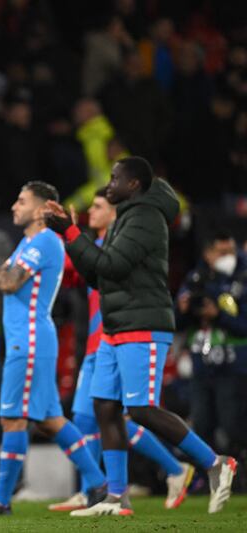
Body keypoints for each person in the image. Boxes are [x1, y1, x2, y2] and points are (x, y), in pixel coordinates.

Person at [45, 156, 237, 516]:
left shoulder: (146, 217)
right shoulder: (127, 217)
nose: (110, 182)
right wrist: (69, 233)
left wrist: (71, 233)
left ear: (134, 185)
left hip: (143, 325)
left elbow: (112, 266)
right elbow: (102, 278)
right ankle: (116, 496)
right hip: (116, 326)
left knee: (142, 409)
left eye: (116, 178)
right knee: (104, 404)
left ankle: (214, 463)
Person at [0, 181, 107, 515]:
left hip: (27, 340)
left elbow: (7, 282)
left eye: (22, 200)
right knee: (48, 419)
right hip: (31, 338)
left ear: (43, 209)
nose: (14, 206)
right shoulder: (32, 242)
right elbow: (7, 281)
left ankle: (0, 499)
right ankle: (99, 484)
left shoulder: (43, 241)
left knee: (13, 419)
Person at [50, 188, 193, 512]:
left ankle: (170, 469)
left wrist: (69, 237)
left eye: (99, 206)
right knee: (90, 417)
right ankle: (97, 489)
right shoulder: (95, 245)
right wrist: (65, 236)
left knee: (116, 415)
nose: (92, 212)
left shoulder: (115, 248)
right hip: (97, 342)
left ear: (115, 214)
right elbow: (71, 274)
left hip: (115, 338)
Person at [176, 231, 247, 463]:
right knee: (202, 426)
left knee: (234, 426)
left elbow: (244, 324)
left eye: (231, 251)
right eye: (222, 252)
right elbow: (175, 322)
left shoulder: (243, 279)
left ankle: (240, 474)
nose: (228, 257)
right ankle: (207, 477)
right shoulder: (195, 280)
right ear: (208, 254)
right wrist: (183, 312)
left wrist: (218, 315)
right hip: (202, 366)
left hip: (233, 366)